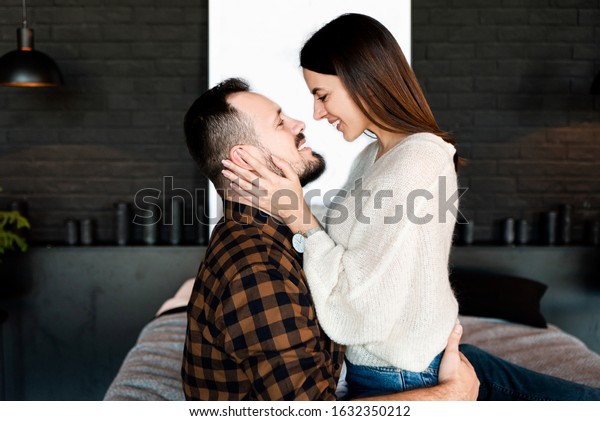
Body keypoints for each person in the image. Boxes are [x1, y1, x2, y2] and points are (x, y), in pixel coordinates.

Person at [221, 14, 600, 400]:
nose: (317, 113)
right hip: (416, 364)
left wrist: (299, 216)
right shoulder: (374, 157)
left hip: (405, 375)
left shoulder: (414, 163)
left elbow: (356, 315)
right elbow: (356, 258)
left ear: (361, 80)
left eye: (322, 95)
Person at [181, 77, 479, 400]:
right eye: (280, 122)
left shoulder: (269, 232)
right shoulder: (256, 271)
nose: (300, 123)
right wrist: (451, 395)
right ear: (244, 159)